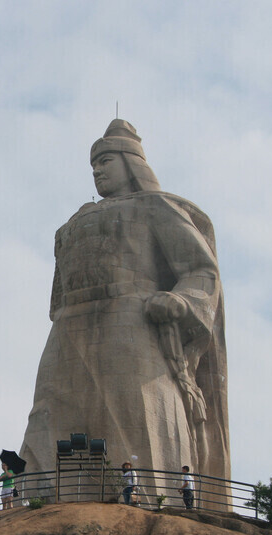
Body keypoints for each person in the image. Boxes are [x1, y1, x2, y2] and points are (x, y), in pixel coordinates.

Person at [17, 120, 230, 501]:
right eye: (93, 164)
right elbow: (57, 299)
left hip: (130, 328)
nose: (97, 170)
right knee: (47, 417)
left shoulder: (155, 207)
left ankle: (152, 498)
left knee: (137, 418)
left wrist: (181, 300)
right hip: (67, 332)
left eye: (106, 161)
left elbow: (201, 269)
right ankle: (41, 495)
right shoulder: (72, 222)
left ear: (131, 162)